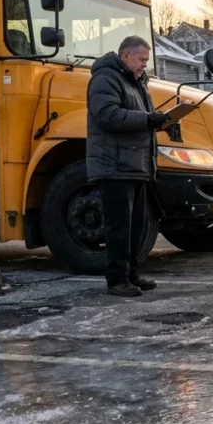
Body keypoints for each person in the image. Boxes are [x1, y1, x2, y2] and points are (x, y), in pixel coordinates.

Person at [86, 36, 171, 297]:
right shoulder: (105, 78)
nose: (145, 65)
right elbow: (107, 115)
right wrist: (148, 119)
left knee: (136, 227)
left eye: (147, 60)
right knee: (119, 227)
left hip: (135, 165)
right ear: (126, 56)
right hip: (115, 166)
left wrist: (162, 121)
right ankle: (116, 280)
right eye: (141, 59)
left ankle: (131, 274)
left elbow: (140, 120)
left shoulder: (136, 82)